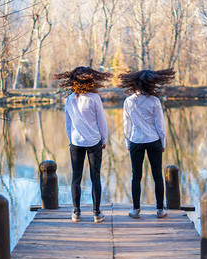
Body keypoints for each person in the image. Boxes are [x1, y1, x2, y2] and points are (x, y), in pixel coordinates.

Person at [55, 66, 111, 223]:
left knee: (76, 177)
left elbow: (68, 123)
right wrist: (104, 140)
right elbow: (102, 122)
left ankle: (76, 213)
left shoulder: (69, 99)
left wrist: (71, 139)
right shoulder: (94, 98)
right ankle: (96, 213)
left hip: (76, 142)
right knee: (95, 177)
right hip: (94, 142)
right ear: (90, 80)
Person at [118, 69, 175, 219]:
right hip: (153, 140)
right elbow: (160, 126)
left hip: (136, 140)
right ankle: (160, 210)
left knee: (136, 176)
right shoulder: (154, 101)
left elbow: (126, 125)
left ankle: (136, 210)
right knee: (157, 176)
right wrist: (162, 143)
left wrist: (128, 142)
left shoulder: (128, 101)